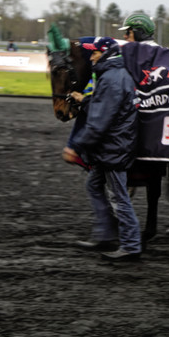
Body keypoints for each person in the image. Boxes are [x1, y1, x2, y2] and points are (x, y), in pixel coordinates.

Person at [118, 12, 169, 236]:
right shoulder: (164, 54)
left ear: (136, 32)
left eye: (127, 33)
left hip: (152, 126)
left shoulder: (137, 56)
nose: (126, 37)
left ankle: (119, 216)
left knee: (128, 165)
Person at [62, 36, 143, 261]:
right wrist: (85, 99)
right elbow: (104, 105)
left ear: (106, 54)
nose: (92, 57)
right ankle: (104, 236)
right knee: (94, 185)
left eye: (95, 53)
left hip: (113, 148)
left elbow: (99, 122)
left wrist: (75, 147)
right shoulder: (112, 75)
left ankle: (131, 246)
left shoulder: (112, 79)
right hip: (113, 146)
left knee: (119, 197)